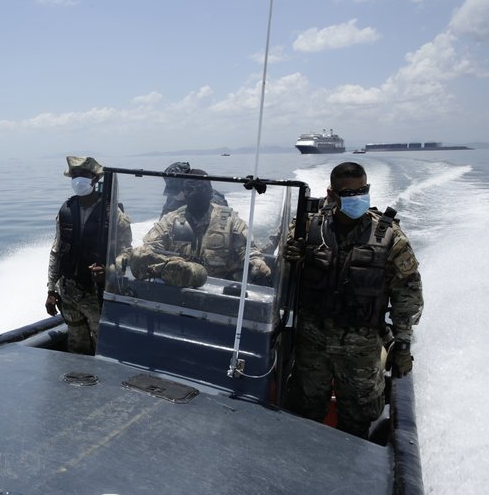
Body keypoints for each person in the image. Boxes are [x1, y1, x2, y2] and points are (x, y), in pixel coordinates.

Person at [285, 161, 424, 439]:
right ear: (332, 194)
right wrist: (290, 256)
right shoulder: (308, 227)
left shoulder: (389, 238)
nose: (358, 198)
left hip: (361, 347)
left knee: (356, 421)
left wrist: (403, 346)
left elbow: (407, 295)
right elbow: (279, 272)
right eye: (350, 193)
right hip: (312, 342)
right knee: (304, 413)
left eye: (364, 190)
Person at [45, 156, 132, 355]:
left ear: (95, 179)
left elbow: (127, 253)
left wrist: (109, 271)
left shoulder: (113, 214)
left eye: (83, 175)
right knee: (76, 344)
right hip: (68, 293)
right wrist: (51, 290)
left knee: (103, 345)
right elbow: (56, 252)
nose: (78, 180)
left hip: (97, 294)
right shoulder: (66, 209)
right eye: (74, 175)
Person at [130, 169, 271, 286]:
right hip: (178, 287)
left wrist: (257, 263)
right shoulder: (171, 220)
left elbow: (248, 251)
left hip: (218, 289)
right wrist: (168, 263)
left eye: (201, 188)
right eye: (190, 189)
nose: (196, 192)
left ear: (210, 191)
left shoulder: (229, 220)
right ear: (184, 193)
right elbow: (150, 248)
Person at [161, 161, 228, 216]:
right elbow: (163, 220)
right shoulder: (172, 200)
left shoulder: (210, 200)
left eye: (176, 190)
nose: (173, 195)